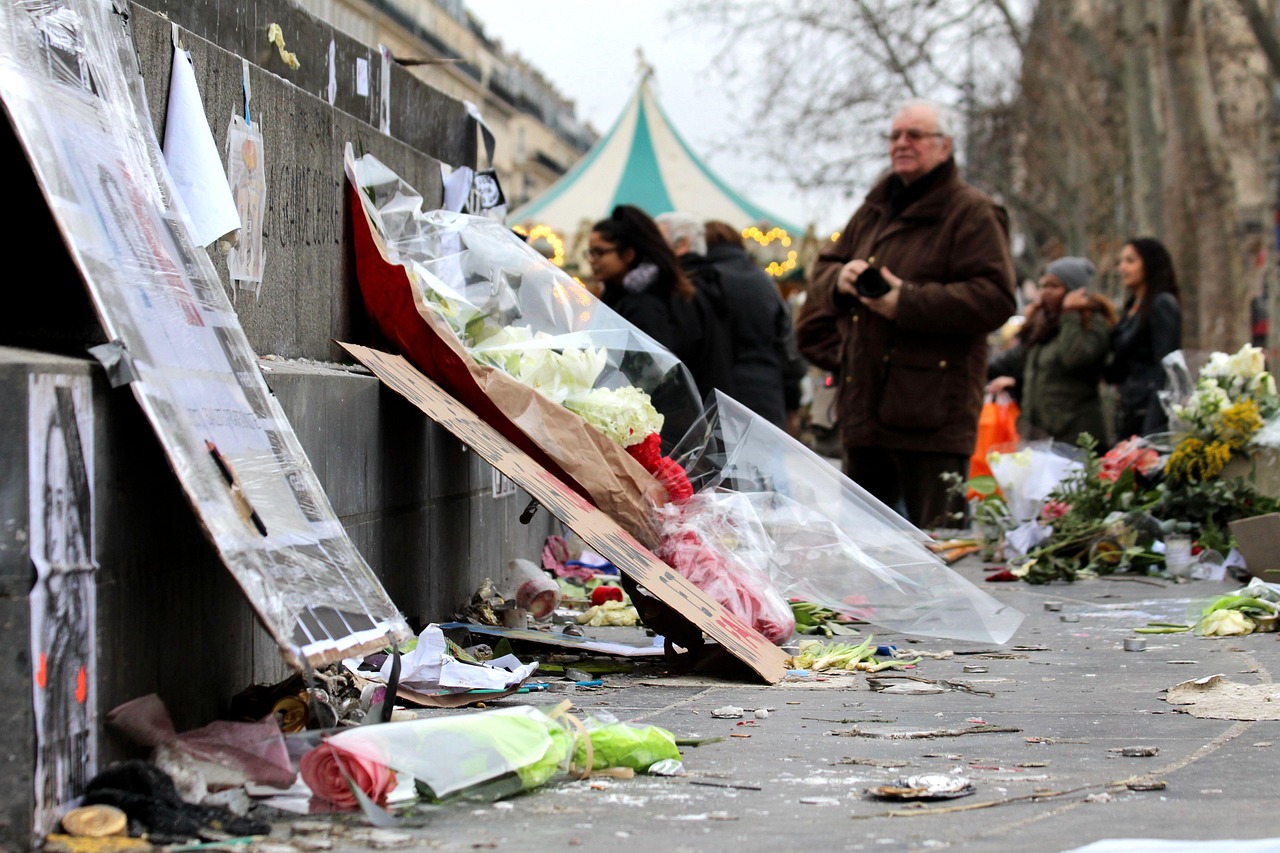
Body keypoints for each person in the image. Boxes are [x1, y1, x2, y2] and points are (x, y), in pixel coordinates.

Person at [796, 100, 1017, 529]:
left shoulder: (972, 211)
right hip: (864, 412)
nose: (901, 143)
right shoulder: (874, 209)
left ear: (944, 146)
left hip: (933, 417)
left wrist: (906, 301)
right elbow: (823, 268)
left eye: (914, 135)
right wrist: (841, 278)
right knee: (861, 549)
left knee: (940, 547)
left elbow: (995, 299)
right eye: (895, 135)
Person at [587, 205, 735, 441]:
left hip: (663, 431)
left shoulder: (645, 304)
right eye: (590, 253)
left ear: (628, 254)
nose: (592, 261)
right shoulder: (645, 294)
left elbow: (648, 376)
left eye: (600, 252)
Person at [987, 257, 1118, 449]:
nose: (1046, 292)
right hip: (1038, 436)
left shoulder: (1091, 323)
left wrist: (1070, 314)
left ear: (1074, 290)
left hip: (1077, 438)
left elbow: (1074, 358)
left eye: (1054, 286)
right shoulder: (1043, 326)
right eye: (1043, 286)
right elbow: (1015, 361)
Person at [1105, 237, 1183, 440]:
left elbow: (1166, 366)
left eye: (1130, 261)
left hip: (1148, 413)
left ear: (1150, 264)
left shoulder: (1161, 304)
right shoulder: (1133, 308)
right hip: (1129, 409)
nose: (1122, 268)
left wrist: (1152, 429)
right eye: (1120, 261)